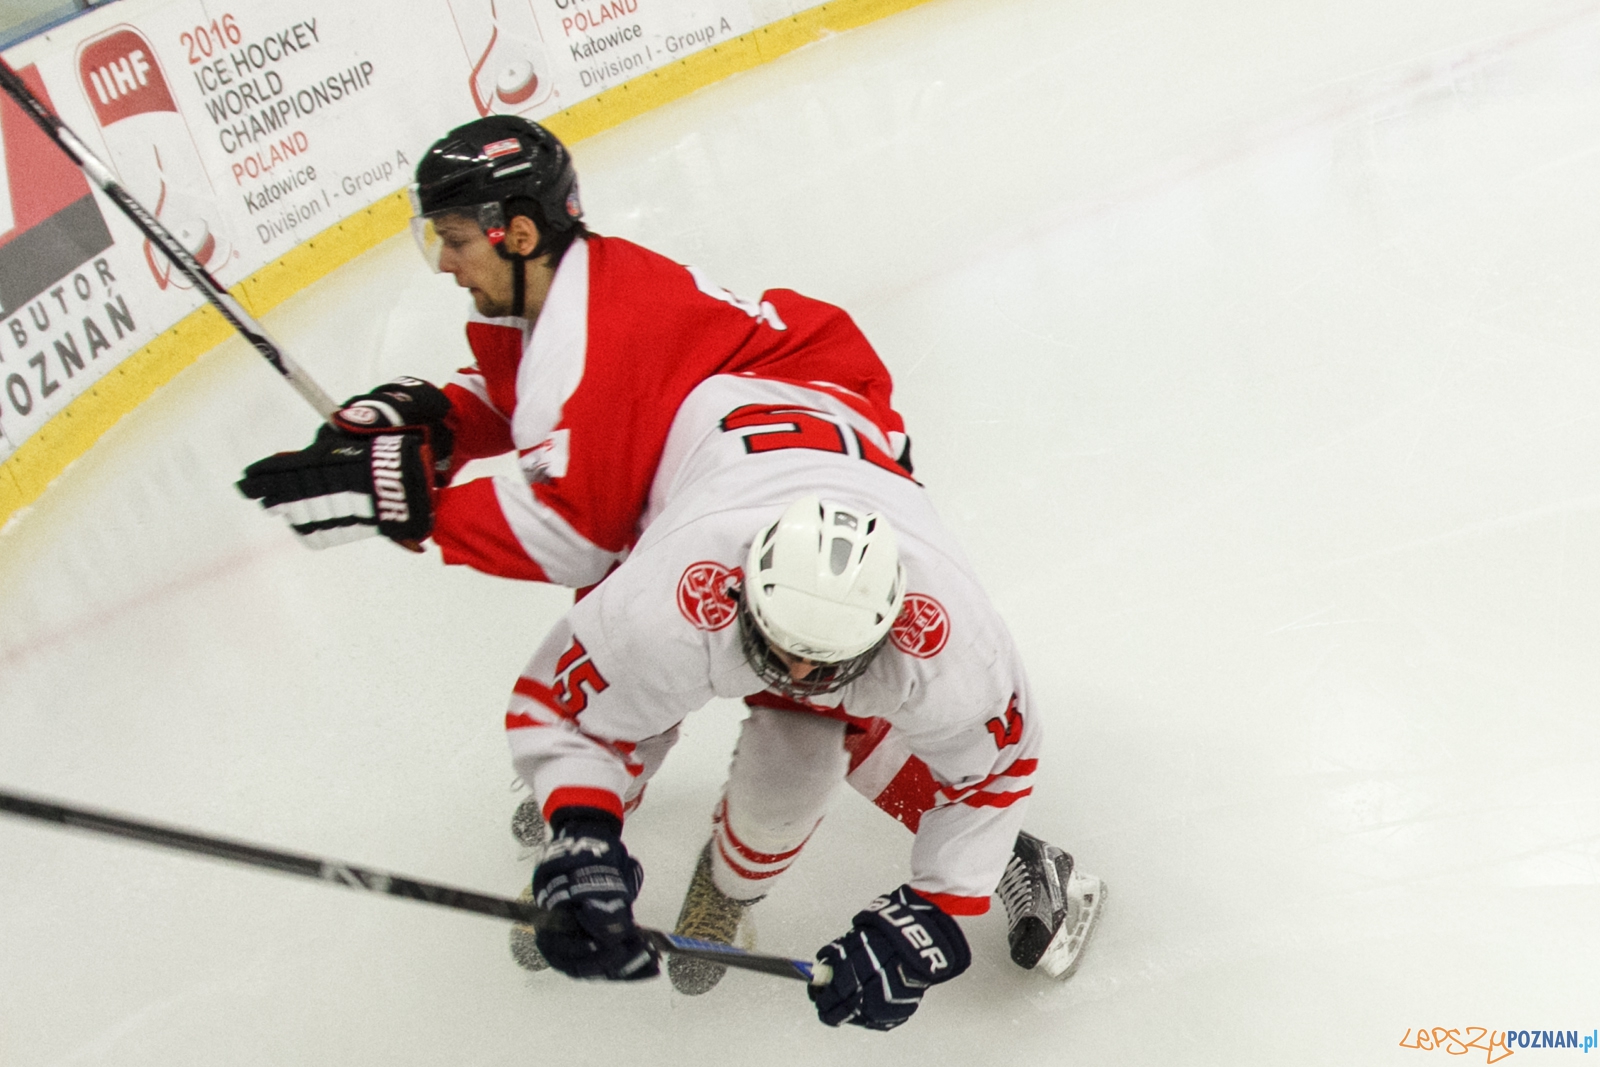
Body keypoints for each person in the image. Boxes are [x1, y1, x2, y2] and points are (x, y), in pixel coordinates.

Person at [505, 371, 1104, 1029]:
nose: (794, 673)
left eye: (824, 660)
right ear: (740, 588)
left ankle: (729, 887)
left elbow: (997, 766)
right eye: (785, 645)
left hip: (836, 444)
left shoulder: (948, 639)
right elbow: (575, 713)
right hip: (692, 457)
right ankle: (600, 814)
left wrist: (940, 907)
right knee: (632, 688)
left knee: (794, 766)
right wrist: (582, 822)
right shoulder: (667, 592)